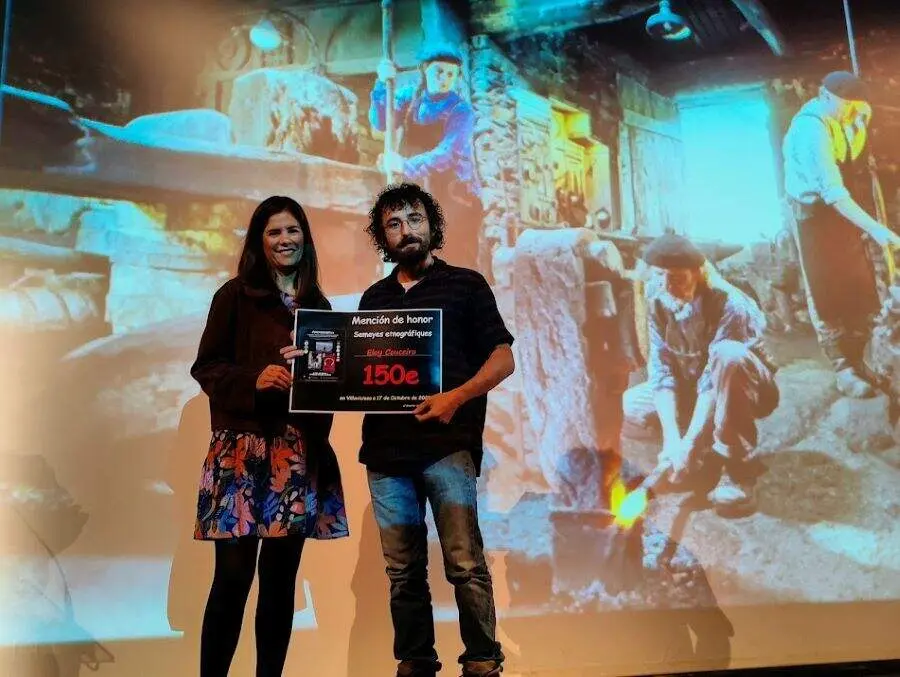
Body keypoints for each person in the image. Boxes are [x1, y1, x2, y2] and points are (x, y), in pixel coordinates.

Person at [190, 196, 349, 677]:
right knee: (232, 580)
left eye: (293, 230)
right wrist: (254, 379)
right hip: (241, 451)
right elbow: (206, 367)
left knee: (280, 585)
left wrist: (318, 375)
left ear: (305, 238)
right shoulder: (234, 295)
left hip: (295, 454)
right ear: (259, 241)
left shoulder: (320, 307)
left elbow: (330, 386)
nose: (285, 240)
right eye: (275, 232)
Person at [359, 182, 513, 677]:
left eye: (415, 218)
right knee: (402, 572)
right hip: (385, 455)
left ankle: (483, 658)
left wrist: (456, 397)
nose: (406, 230)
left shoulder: (466, 285)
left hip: (447, 446)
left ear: (432, 225)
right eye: (394, 223)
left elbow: (503, 359)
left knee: (464, 563)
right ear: (383, 238)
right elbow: (356, 374)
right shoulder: (373, 298)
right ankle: (416, 660)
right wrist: (313, 364)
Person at [638, 234, 780, 516]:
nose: (668, 286)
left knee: (728, 355)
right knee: (632, 409)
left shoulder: (729, 302)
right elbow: (661, 369)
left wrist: (689, 441)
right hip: (691, 385)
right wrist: (672, 441)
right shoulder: (657, 296)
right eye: (660, 276)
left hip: (745, 387)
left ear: (698, 273)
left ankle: (736, 464)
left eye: (677, 278)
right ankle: (693, 457)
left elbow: (710, 383)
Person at [782, 70, 900, 398]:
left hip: (839, 209)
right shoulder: (811, 130)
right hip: (812, 214)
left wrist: (861, 122)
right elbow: (833, 192)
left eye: (856, 106)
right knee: (825, 289)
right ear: (824, 96)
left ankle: (866, 356)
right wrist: (877, 229)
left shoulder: (850, 113)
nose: (852, 112)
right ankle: (843, 368)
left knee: (858, 280)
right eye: (846, 106)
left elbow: (851, 152)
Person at [369, 43, 483, 272]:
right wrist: (382, 83)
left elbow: (447, 154)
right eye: (438, 71)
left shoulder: (461, 110)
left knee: (453, 257)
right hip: (421, 190)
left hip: (455, 195)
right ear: (425, 70)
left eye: (450, 74)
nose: (444, 79)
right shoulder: (410, 98)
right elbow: (381, 122)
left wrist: (404, 165)